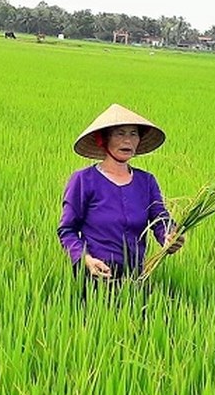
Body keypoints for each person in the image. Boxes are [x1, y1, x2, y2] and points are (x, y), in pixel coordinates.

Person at [57, 103, 184, 282]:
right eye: (120, 133)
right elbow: (67, 230)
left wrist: (169, 237)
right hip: (95, 276)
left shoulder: (146, 181)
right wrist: (86, 259)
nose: (128, 141)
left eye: (134, 134)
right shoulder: (83, 180)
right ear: (104, 139)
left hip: (135, 278)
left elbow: (160, 219)